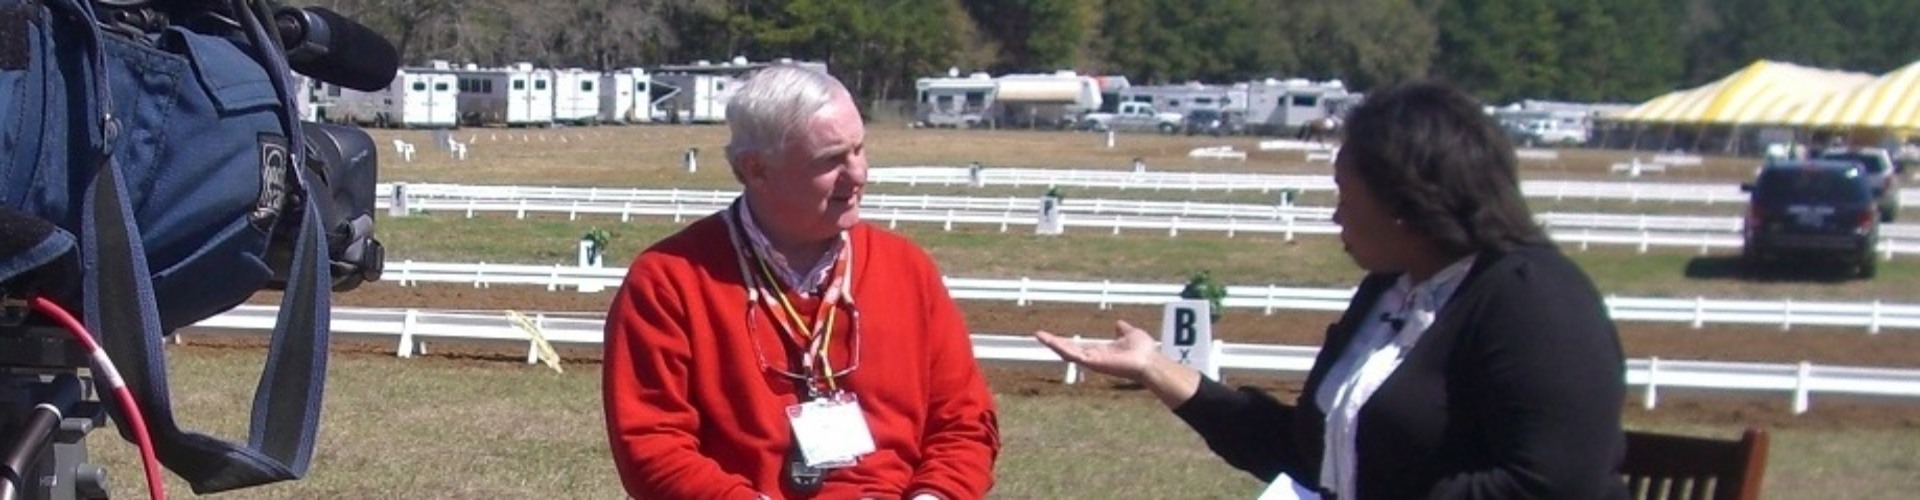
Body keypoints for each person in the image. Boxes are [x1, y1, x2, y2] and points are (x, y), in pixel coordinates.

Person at [1035, 81, 1626, 499]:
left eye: (1345, 193)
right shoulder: (1390, 293)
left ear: (1406, 200)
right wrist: (1158, 370)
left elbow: (1553, 484)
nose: (1335, 216)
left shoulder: (1534, 301)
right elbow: (1312, 455)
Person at [603, 65, 999, 499]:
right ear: (756, 170)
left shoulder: (908, 269)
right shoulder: (669, 281)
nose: (859, 174)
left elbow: (963, 422)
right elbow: (651, 443)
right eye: (831, 160)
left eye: (859, 150)